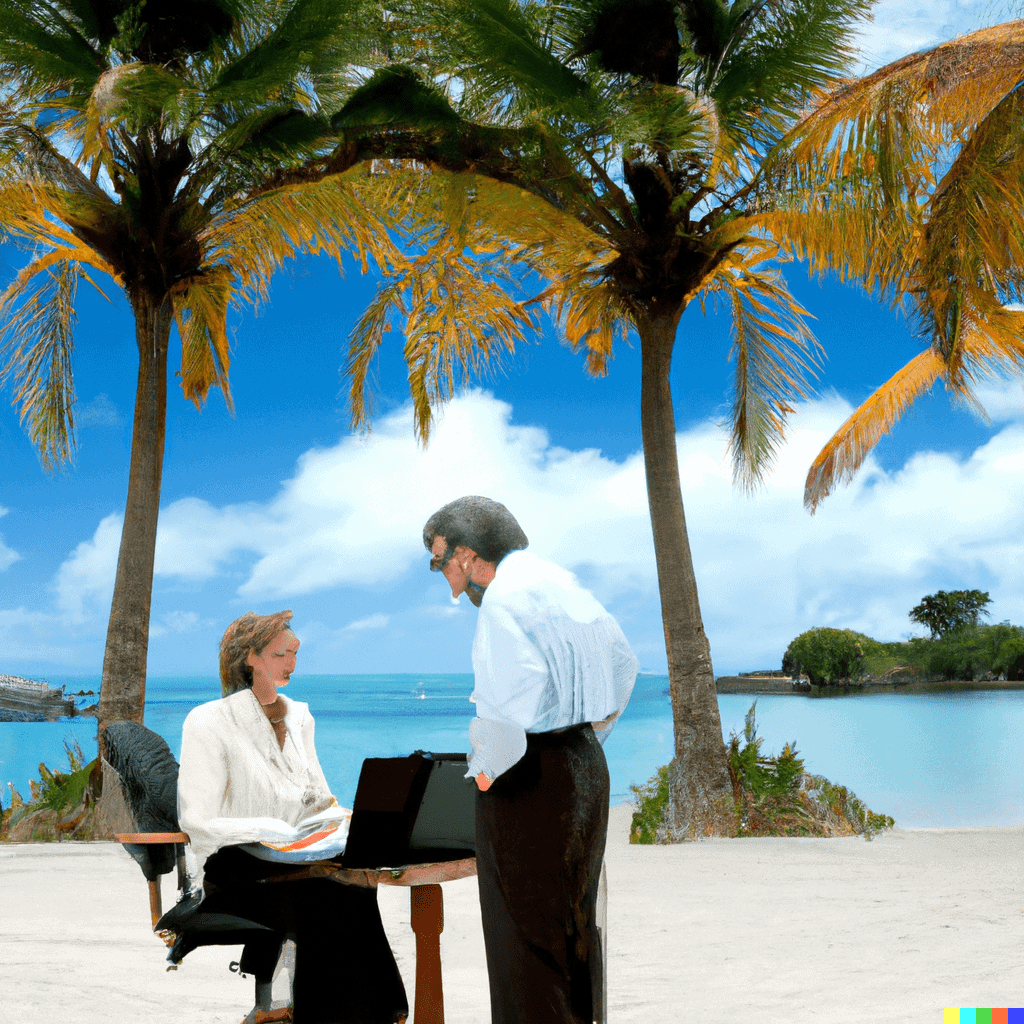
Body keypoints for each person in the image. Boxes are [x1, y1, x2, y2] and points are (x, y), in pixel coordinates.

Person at [422, 496, 638, 1024]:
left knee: (522, 939)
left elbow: (509, 705)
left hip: (530, 779)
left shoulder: (500, 602)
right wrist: (584, 739)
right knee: (575, 928)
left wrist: (488, 774)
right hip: (585, 766)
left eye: (441, 564)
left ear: (469, 556)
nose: (450, 586)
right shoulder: (563, 585)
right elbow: (624, 666)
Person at [177, 610, 408, 1024]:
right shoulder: (209, 720)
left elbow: (316, 799)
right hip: (237, 862)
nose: (292, 662)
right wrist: (271, 831)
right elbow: (196, 820)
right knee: (329, 891)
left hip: (300, 855)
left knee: (353, 880)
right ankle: (351, 1011)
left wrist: (347, 820)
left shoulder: (300, 717)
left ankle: (358, 1013)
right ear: (251, 658)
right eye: (281, 653)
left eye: (296, 652)